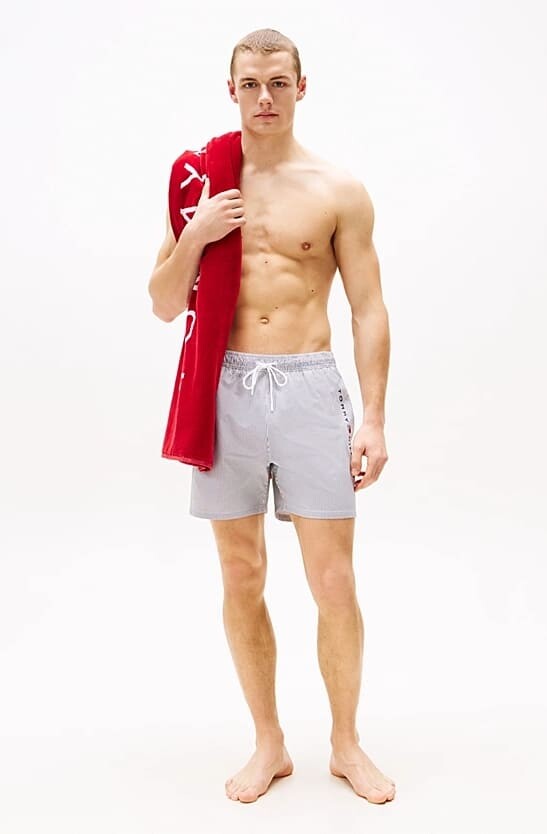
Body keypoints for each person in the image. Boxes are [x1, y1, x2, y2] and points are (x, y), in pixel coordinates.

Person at [148, 28, 394, 805]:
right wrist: (197, 234)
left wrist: (374, 418)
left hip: (310, 386)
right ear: (232, 90)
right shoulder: (201, 182)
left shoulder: (338, 190)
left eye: (278, 83)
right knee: (241, 572)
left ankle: (346, 743)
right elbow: (163, 303)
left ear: (301, 87)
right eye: (250, 83)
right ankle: (269, 742)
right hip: (224, 388)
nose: (264, 97)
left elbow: (368, 309)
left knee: (333, 579)